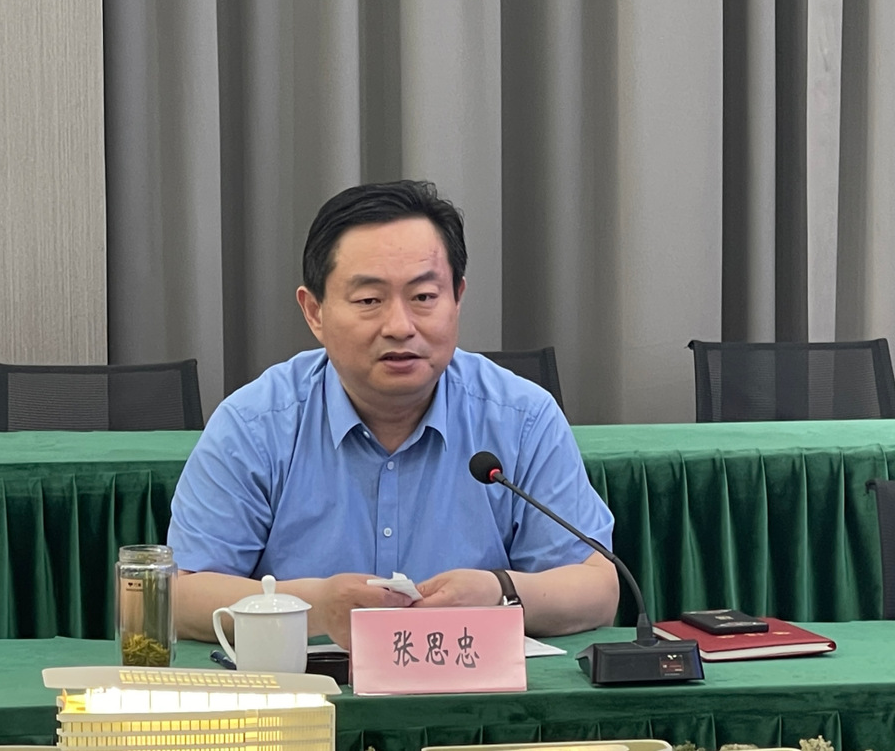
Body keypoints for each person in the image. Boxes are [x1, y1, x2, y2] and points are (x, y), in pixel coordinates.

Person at [168, 180, 619, 649]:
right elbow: (177, 593)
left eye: (423, 297)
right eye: (369, 300)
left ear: (457, 298)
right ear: (314, 311)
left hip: (473, 691)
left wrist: (500, 592)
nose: (400, 327)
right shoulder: (255, 424)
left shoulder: (522, 418)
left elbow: (598, 588)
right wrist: (314, 607)